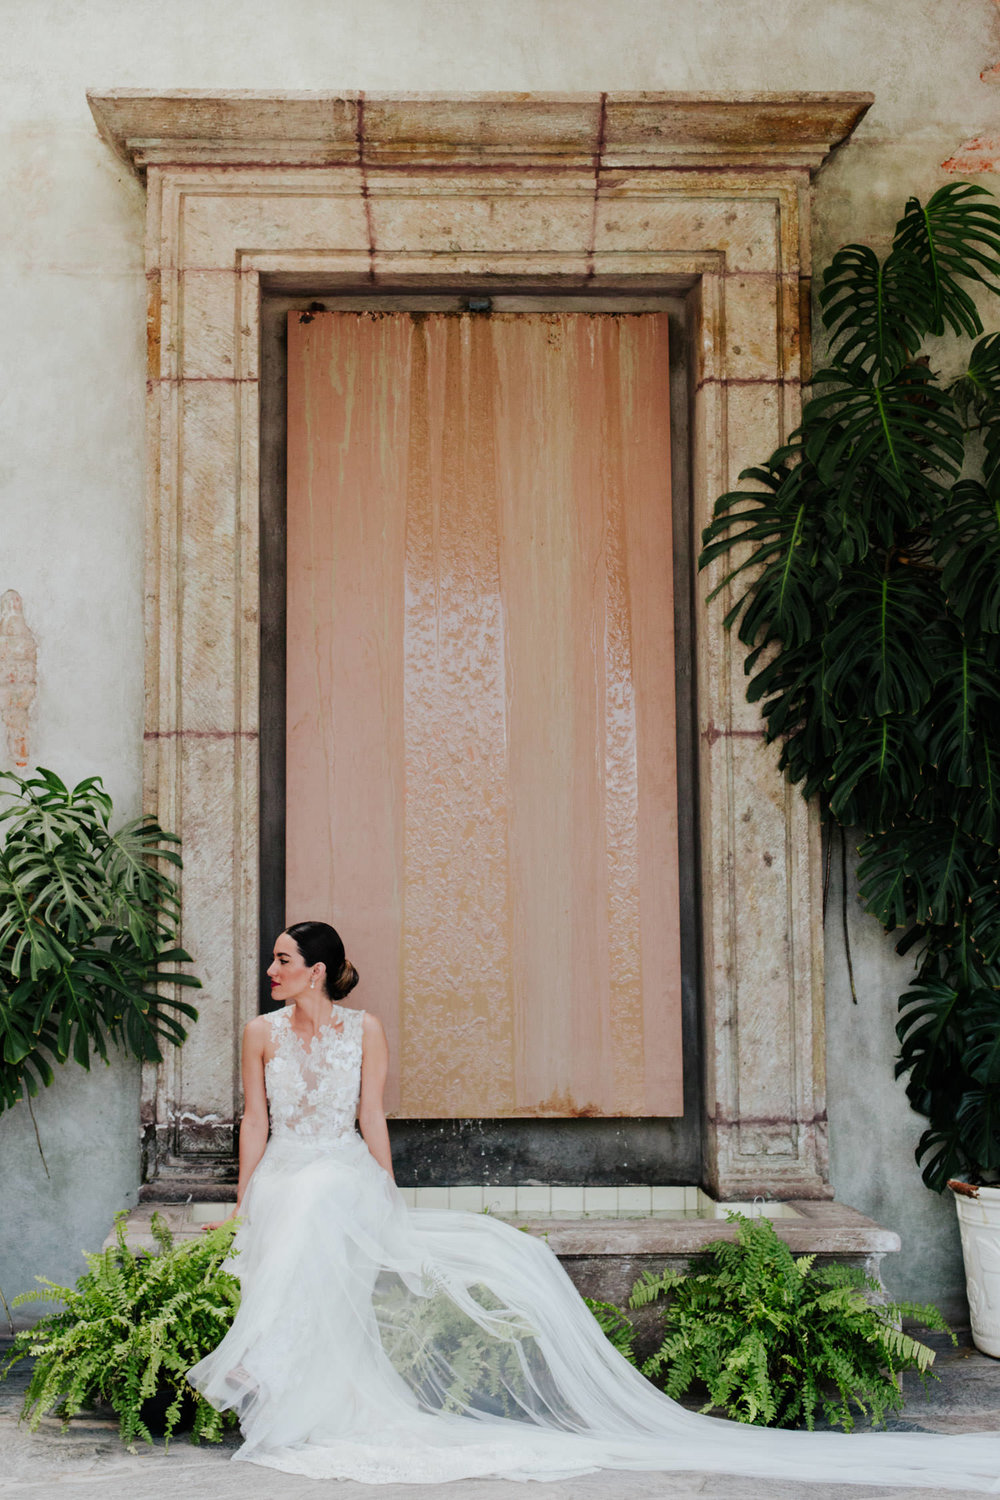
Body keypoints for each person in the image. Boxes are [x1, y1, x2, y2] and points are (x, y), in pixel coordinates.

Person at [189, 922, 1000, 1490]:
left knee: (328, 1195)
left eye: (284, 959)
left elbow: (370, 1118)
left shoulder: (364, 1030)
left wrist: (387, 1192)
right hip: (288, 1169)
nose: (273, 970)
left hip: (340, 1170)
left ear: (319, 970)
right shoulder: (261, 1034)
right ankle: (277, 1373)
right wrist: (243, 1199)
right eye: (274, 961)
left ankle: (261, 1365)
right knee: (294, 1203)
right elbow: (255, 1120)